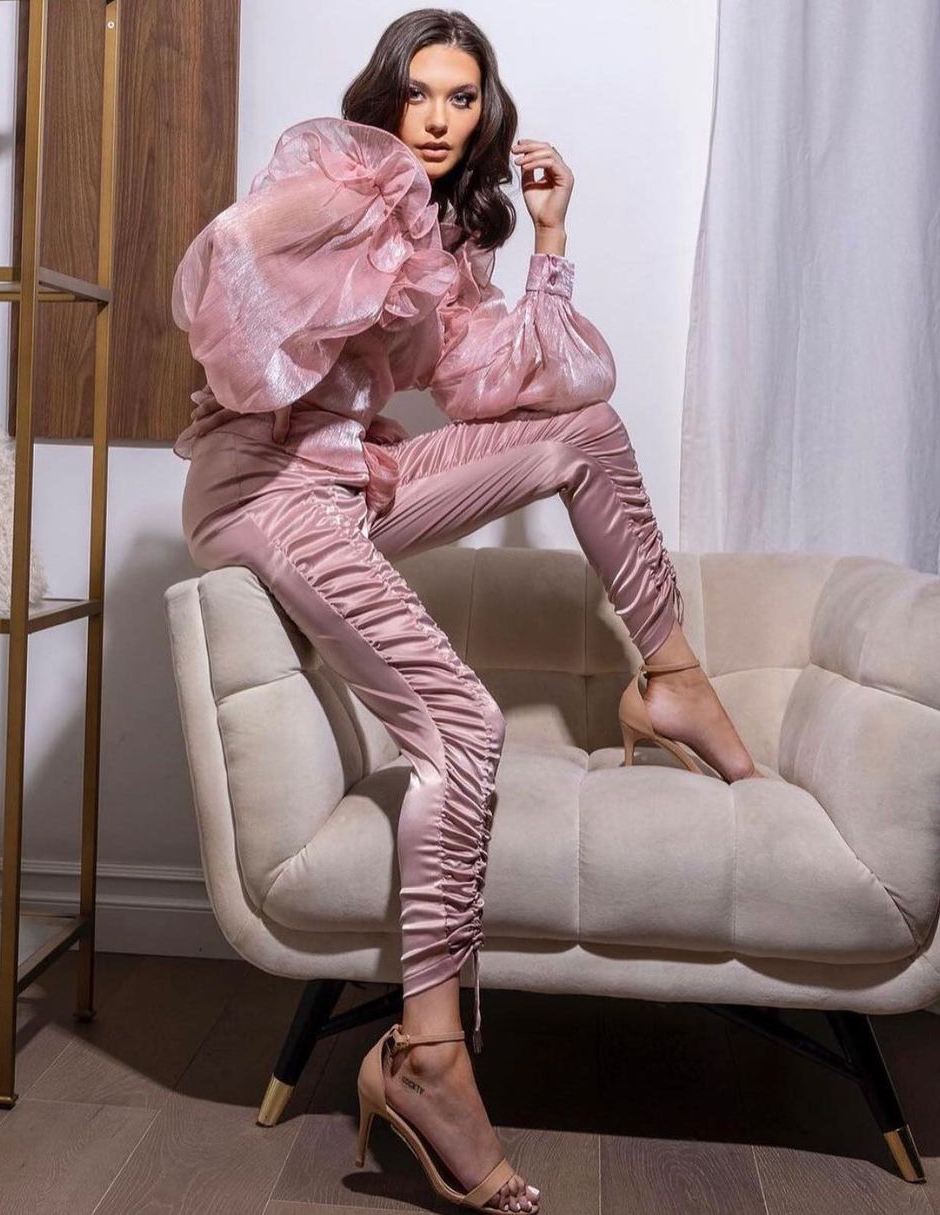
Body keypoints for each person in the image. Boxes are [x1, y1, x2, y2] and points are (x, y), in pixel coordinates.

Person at [171, 11, 762, 1212]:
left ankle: (672, 675)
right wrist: (322, 294)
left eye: (463, 97)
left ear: (484, 112)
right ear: (383, 100)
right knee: (465, 725)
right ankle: (428, 1056)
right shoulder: (343, 182)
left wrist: (550, 239)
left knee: (583, 433)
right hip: (270, 492)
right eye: (421, 94)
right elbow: (226, 259)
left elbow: (506, 389)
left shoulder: (442, 235)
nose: (440, 120)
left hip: (357, 482)